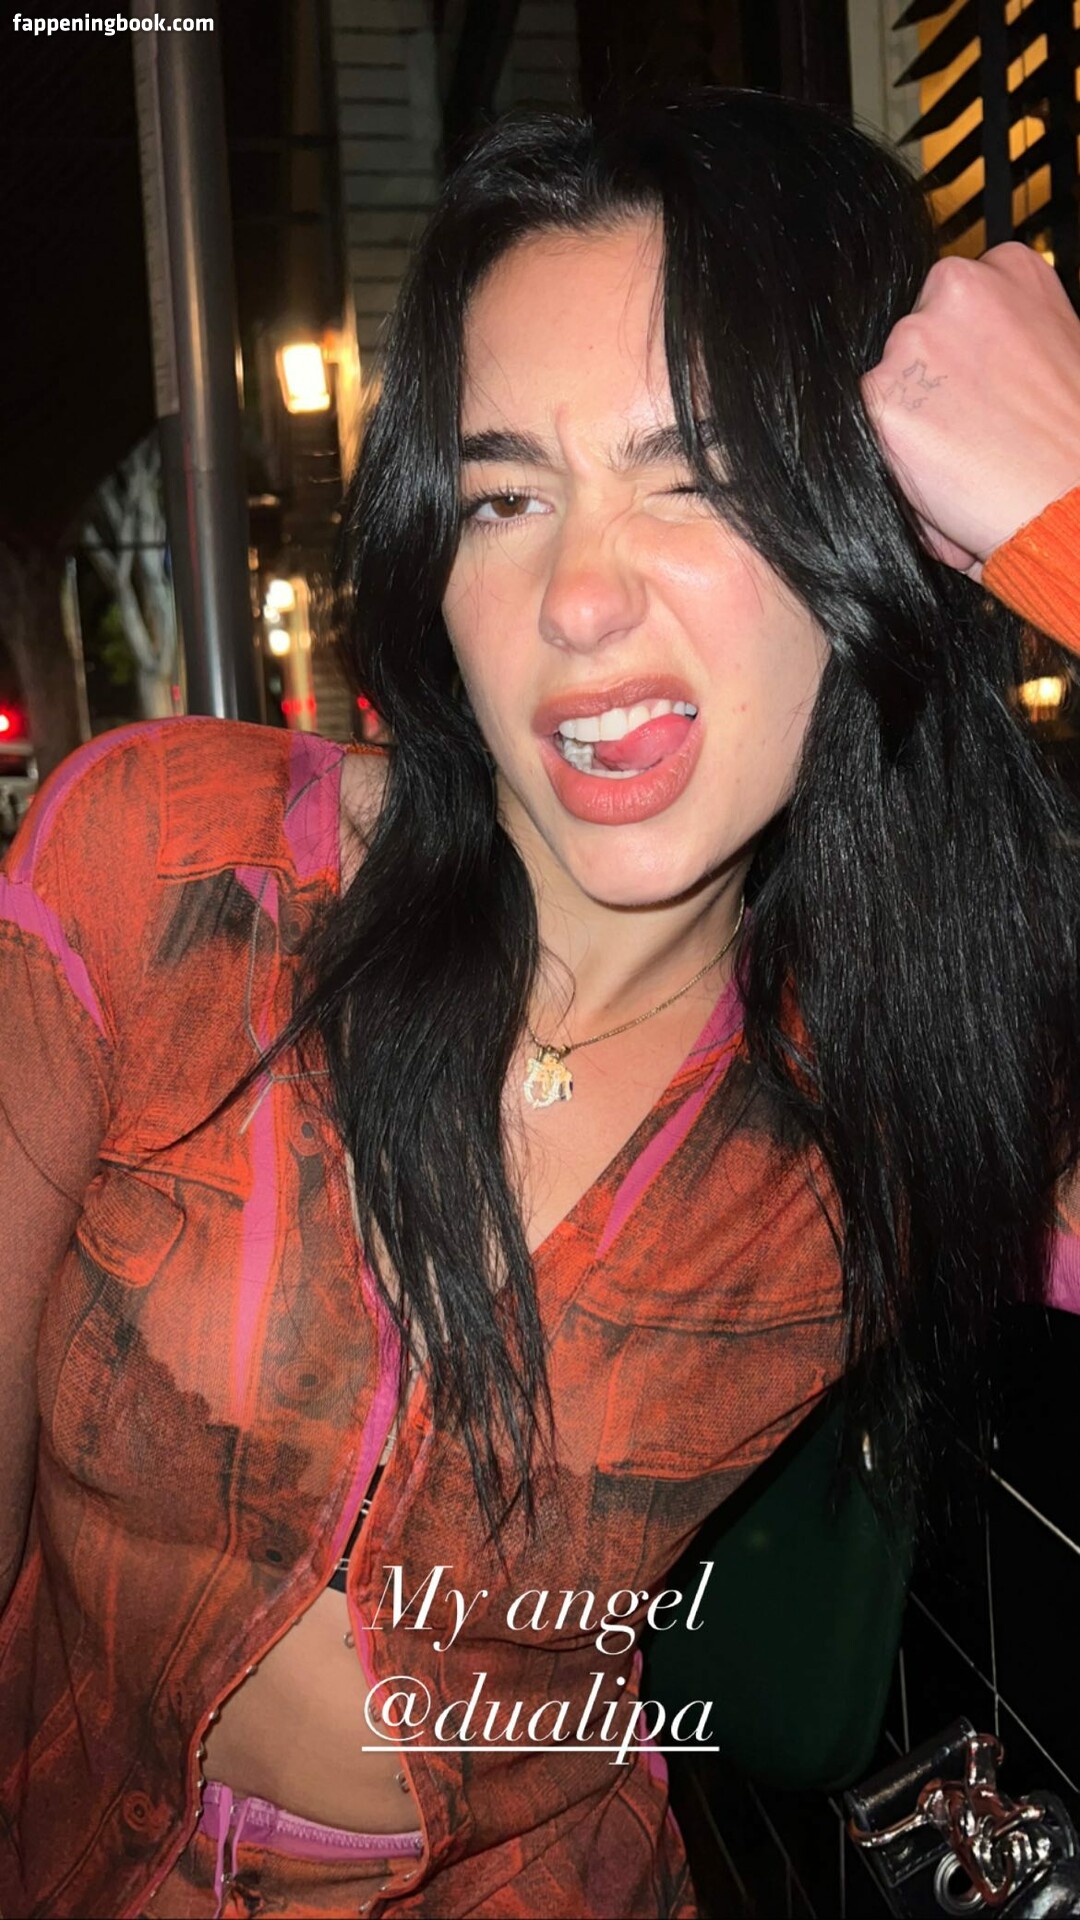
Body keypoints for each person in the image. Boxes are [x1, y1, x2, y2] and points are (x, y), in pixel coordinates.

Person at [2, 89, 1080, 1920]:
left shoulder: (913, 1069)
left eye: (701, 477)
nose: (576, 595)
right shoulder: (170, 875)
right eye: (505, 495)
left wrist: (1068, 517)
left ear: (873, 534)